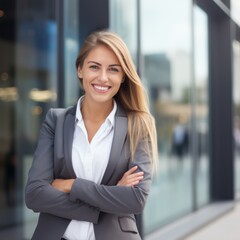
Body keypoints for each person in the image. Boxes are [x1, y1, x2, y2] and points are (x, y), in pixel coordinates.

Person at [25, 30, 158, 240]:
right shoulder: (56, 121)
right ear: (80, 70)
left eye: (113, 69)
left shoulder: (138, 125)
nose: (103, 77)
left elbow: (135, 199)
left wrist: (72, 185)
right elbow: (34, 195)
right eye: (94, 67)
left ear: (123, 76)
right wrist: (109, 197)